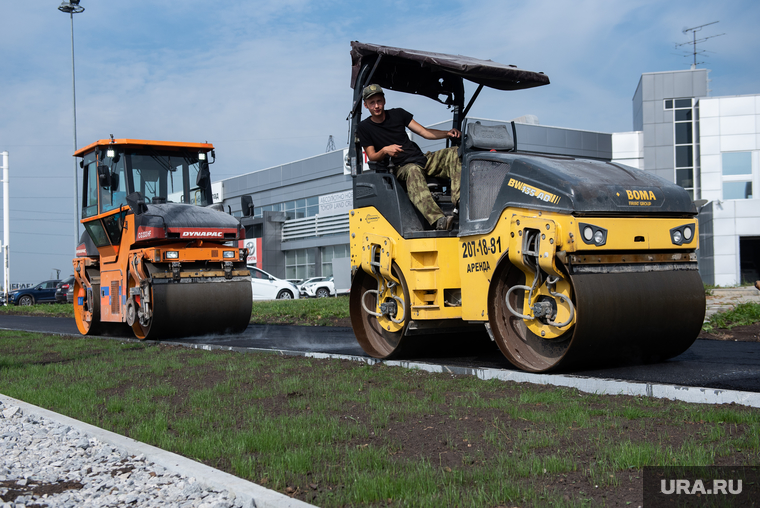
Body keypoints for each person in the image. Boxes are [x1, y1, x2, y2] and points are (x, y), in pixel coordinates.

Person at [356, 84, 461, 231]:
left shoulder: (398, 114)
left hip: (421, 159)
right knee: (413, 170)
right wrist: (386, 150)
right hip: (400, 168)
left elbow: (424, 132)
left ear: (384, 101)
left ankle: (461, 203)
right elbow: (372, 155)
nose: (377, 105)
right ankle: (439, 220)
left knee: (455, 152)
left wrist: (447, 133)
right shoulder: (364, 128)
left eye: (379, 101)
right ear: (366, 105)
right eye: (372, 103)